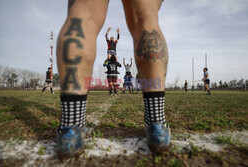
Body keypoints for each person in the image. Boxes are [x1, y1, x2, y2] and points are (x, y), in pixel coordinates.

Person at [56, 0, 170, 159]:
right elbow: (108, 39)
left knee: (83, 13)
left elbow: (114, 39)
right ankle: (157, 124)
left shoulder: (113, 44)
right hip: (112, 52)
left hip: (112, 52)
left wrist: (115, 33)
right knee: (146, 18)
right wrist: (109, 33)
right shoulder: (109, 43)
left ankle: (71, 128)